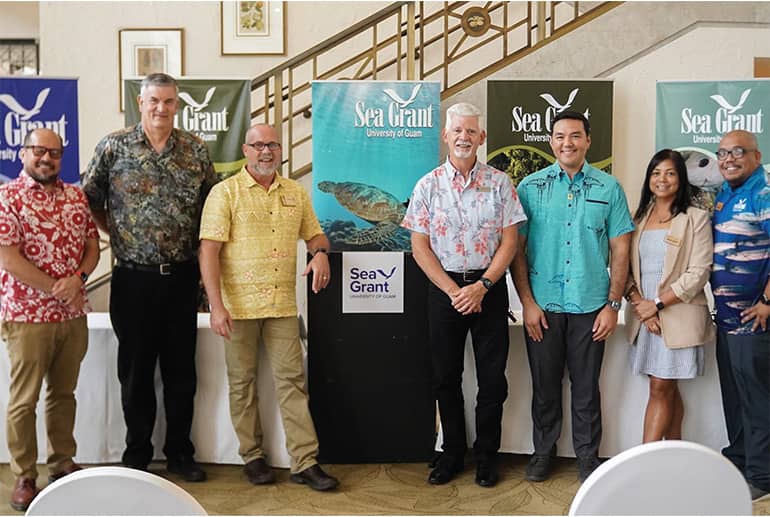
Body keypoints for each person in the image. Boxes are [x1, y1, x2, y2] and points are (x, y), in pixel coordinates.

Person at [81, 73, 217, 482]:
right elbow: (89, 200)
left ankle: (180, 453)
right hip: (132, 280)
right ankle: (137, 453)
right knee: (136, 371)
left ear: (178, 105)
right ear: (140, 103)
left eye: (169, 102)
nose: (162, 108)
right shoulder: (113, 146)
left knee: (181, 372)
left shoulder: (195, 150)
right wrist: (118, 232)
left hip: (181, 279)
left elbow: (211, 210)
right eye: (154, 100)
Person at [199, 123, 339, 491]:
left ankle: (305, 462)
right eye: (258, 145)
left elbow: (315, 234)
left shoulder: (294, 191)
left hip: (281, 306)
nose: (266, 151)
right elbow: (208, 251)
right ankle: (253, 457)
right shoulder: (224, 193)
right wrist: (216, 305)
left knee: (292, 382)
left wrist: (320, 253)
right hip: (237, 308)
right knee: (242, 384)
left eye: (273, 145)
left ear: (280, 150)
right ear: (245, 150)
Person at [401, 102, 526, 487]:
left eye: (471, 131)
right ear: (445, 135)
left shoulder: (500, 184)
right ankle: (452, 453)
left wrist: (483, 286)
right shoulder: (427, 186)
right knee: (445, 377)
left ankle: (487, 457)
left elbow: (511, 241)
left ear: (482, 137)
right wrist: (455, 291)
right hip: (445, 291)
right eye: (457, 131)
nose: (464, 138)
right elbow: (420, 247)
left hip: (488, 290)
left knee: (492, 381)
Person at [510, 110, 634, 483]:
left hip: (590, 306)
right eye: (561, 136)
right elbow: (517, 249)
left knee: (586, 388)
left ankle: (586, 457)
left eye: (576, 136)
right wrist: (527, 304)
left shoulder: (608, 188)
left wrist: (613, 306)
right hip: (543, 307)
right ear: (551, 141)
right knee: (544, 387)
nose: (568, 142)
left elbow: (621, 251)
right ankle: (542, 453)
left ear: (588, 141)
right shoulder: (529, 188)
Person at [0, 128, 99, 511]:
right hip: (27, 316)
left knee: (63, 394)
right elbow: (8, 258)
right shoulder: (8, 197)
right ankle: (24, 476)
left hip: (72, 314)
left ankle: (61, 464)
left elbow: (92, 246)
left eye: (54, 152)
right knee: (23, 400)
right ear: (23, 153)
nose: (47, 158)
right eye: (39, 151)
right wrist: (56, 287)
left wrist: (80, 279)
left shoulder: (76, 196)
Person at [624, 149, 713, 443]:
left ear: (681, 178)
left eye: (670, 173)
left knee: (661, 386)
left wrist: (657, 305)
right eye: (656, 173)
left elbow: (699, 272)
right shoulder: (637, 219)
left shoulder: (696, 218)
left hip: (676, 315)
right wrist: (642, 307)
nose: (662, 179)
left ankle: (644, 459)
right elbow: (623, 270)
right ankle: (673, 454)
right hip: (644, 319)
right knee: (665, 387)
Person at [711, 129, 770, 501]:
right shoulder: (724, 193)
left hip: (755, 319)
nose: (728, 159)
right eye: (722, 153)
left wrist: (767, 302)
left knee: (756, 399)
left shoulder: (764, 193)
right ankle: (739, 459)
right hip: (726, 320)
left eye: (737, 152)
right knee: (734, 397)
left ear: (756, 156)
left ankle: (762, 476)